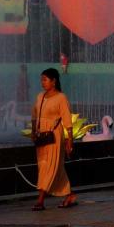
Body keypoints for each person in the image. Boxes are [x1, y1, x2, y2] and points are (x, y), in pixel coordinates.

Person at [30, 68, 76, 210]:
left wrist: (70, 140)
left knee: (48, 167)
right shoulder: (40, 96)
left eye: (45, 79)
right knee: (51, 167)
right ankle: (69, 195)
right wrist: (33, 131)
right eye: (41, 80)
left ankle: (40, 200)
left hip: (54, 136)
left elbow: (67, 120)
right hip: (41, 137)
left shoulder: (61, 97)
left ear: (53, 81)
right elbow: (34, 115)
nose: (42, 82)